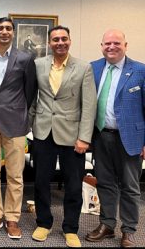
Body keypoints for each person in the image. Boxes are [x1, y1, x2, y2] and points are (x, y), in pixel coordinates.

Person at [29, 25, 97, 248]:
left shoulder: (83, 67)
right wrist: (26, 128)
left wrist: (84, 137)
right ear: (49, 43)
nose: (60, 42)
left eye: (64, 39)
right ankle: (44, 223)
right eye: (55, 39)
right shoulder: (38, 65)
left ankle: (70, 228)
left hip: (72, 135)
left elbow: (89, 106)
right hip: (42, 132)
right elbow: (32, 98)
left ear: (70, 41)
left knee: (74, 184)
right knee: (40, 182)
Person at [0, 17, 37, 240]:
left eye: (8, 28)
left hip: (15, 123)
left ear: (13, 33)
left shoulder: (25, 58)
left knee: (15, 174)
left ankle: (12, 218)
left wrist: (22, 116)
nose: (4, 32)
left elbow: (30, 92)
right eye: (0, 28)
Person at [85, 29, 145, 248]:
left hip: (130, 138)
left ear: (125, 45)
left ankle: (128, 231)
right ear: (101, 46)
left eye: (116, 43)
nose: (111, 47)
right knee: (106, 183)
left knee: (130, 186)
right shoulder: (93, 68)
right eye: (107, 43)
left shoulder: (140, 70)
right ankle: (107, 225)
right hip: (101, 136)